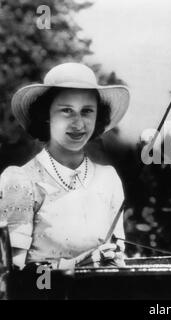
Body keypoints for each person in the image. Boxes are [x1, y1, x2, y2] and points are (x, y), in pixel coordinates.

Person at [0, 62, 130, 269]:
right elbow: (14, 275)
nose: (78, 124)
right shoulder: (20, 180)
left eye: (87, 111)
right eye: (66, 111)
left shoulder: (109, 178)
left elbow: (118, 261)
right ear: (46, 116)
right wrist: (75, 265)